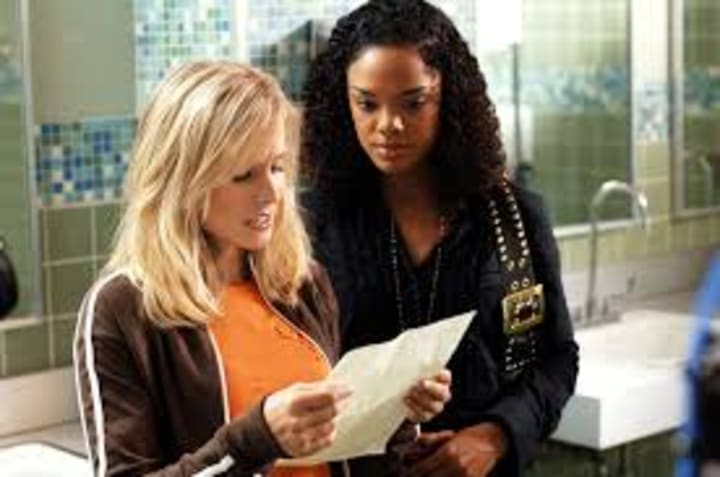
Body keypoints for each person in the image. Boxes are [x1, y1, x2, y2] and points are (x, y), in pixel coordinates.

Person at [73, 60, 451, 476]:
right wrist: (254, 440)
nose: (272, 192)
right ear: (183, 181)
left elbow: (339, 455)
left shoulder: (301, 284)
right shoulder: (121, 308)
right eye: (243, 175)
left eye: (276, 167)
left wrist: (396, 417)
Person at [301, 1, 579, 476]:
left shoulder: (514, 218)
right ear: (342, 102)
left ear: (449, 98)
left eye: (413, 103)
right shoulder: (309, 225)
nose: (388, 124)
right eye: (367, 103)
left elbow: (556, 359)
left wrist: (495, 437)